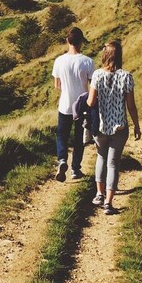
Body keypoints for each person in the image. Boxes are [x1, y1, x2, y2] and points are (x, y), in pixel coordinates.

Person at [88, 39, 140, 214]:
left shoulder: (97, 75)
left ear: (105, 55)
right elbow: (131, 106)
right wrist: (137, 126)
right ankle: (108, 203)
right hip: (119, 126)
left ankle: (99, 194)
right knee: (113, 163)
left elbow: (90, 102)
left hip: (100, 125)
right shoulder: (126, 76)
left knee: (101, 157)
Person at [51, 27, 94, 181]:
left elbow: (57, 85)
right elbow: (93, 86)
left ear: (67, 40)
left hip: (65, 104)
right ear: (81, 42)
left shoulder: (59, 61)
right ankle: (75, 169)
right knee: (79, 138)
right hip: (82, 105)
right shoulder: (88, 61)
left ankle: (62, 159)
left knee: (62, 135)